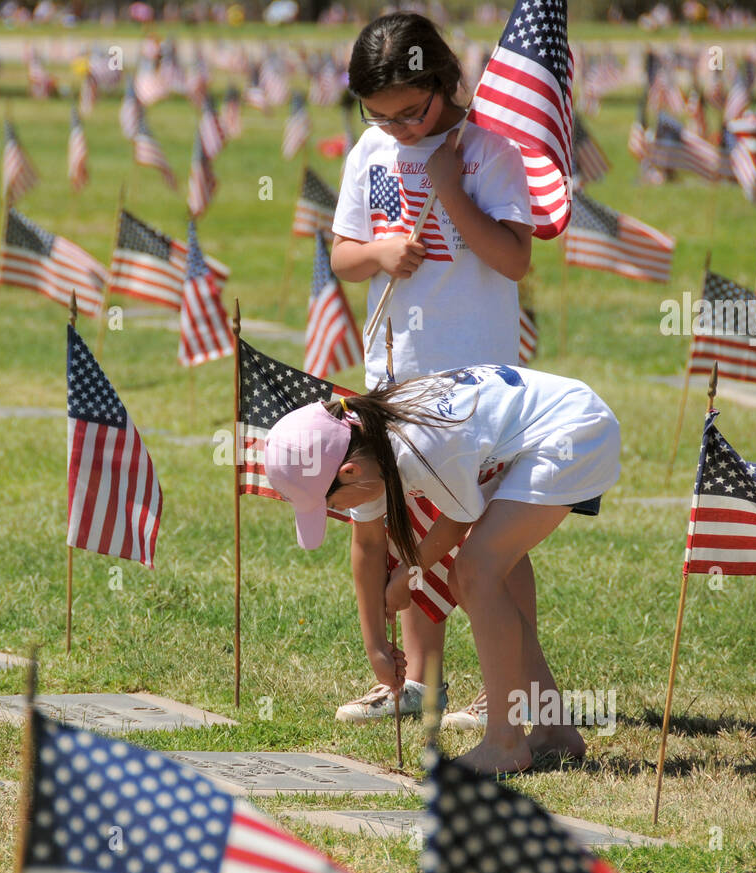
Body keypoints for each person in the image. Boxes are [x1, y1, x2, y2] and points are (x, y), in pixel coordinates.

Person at [329, 11, 535, 729]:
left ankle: (506, 691)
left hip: (477, 379)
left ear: (444, 81)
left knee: (487, 533)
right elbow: (342, 257)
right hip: (395, 374)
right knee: (404, 527)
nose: (400, 129)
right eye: (381, 115)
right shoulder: (370, 152)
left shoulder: (488, 153)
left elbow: (514, 257)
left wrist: (449, 189)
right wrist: (381, 255)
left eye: (413, 112)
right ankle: (419, 683)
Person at [265, 366, 620, 775]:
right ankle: (554, 731)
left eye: (334, 504)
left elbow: (457, 520)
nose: (339, 512)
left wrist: (406, 575)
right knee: (477, 574)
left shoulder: (423, 446)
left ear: (349, 473)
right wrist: (377, 648)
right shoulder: (365, 441)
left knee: (474, 573)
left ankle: (506, 742)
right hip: (539, 434)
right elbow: (367, 543)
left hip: (574, 432)